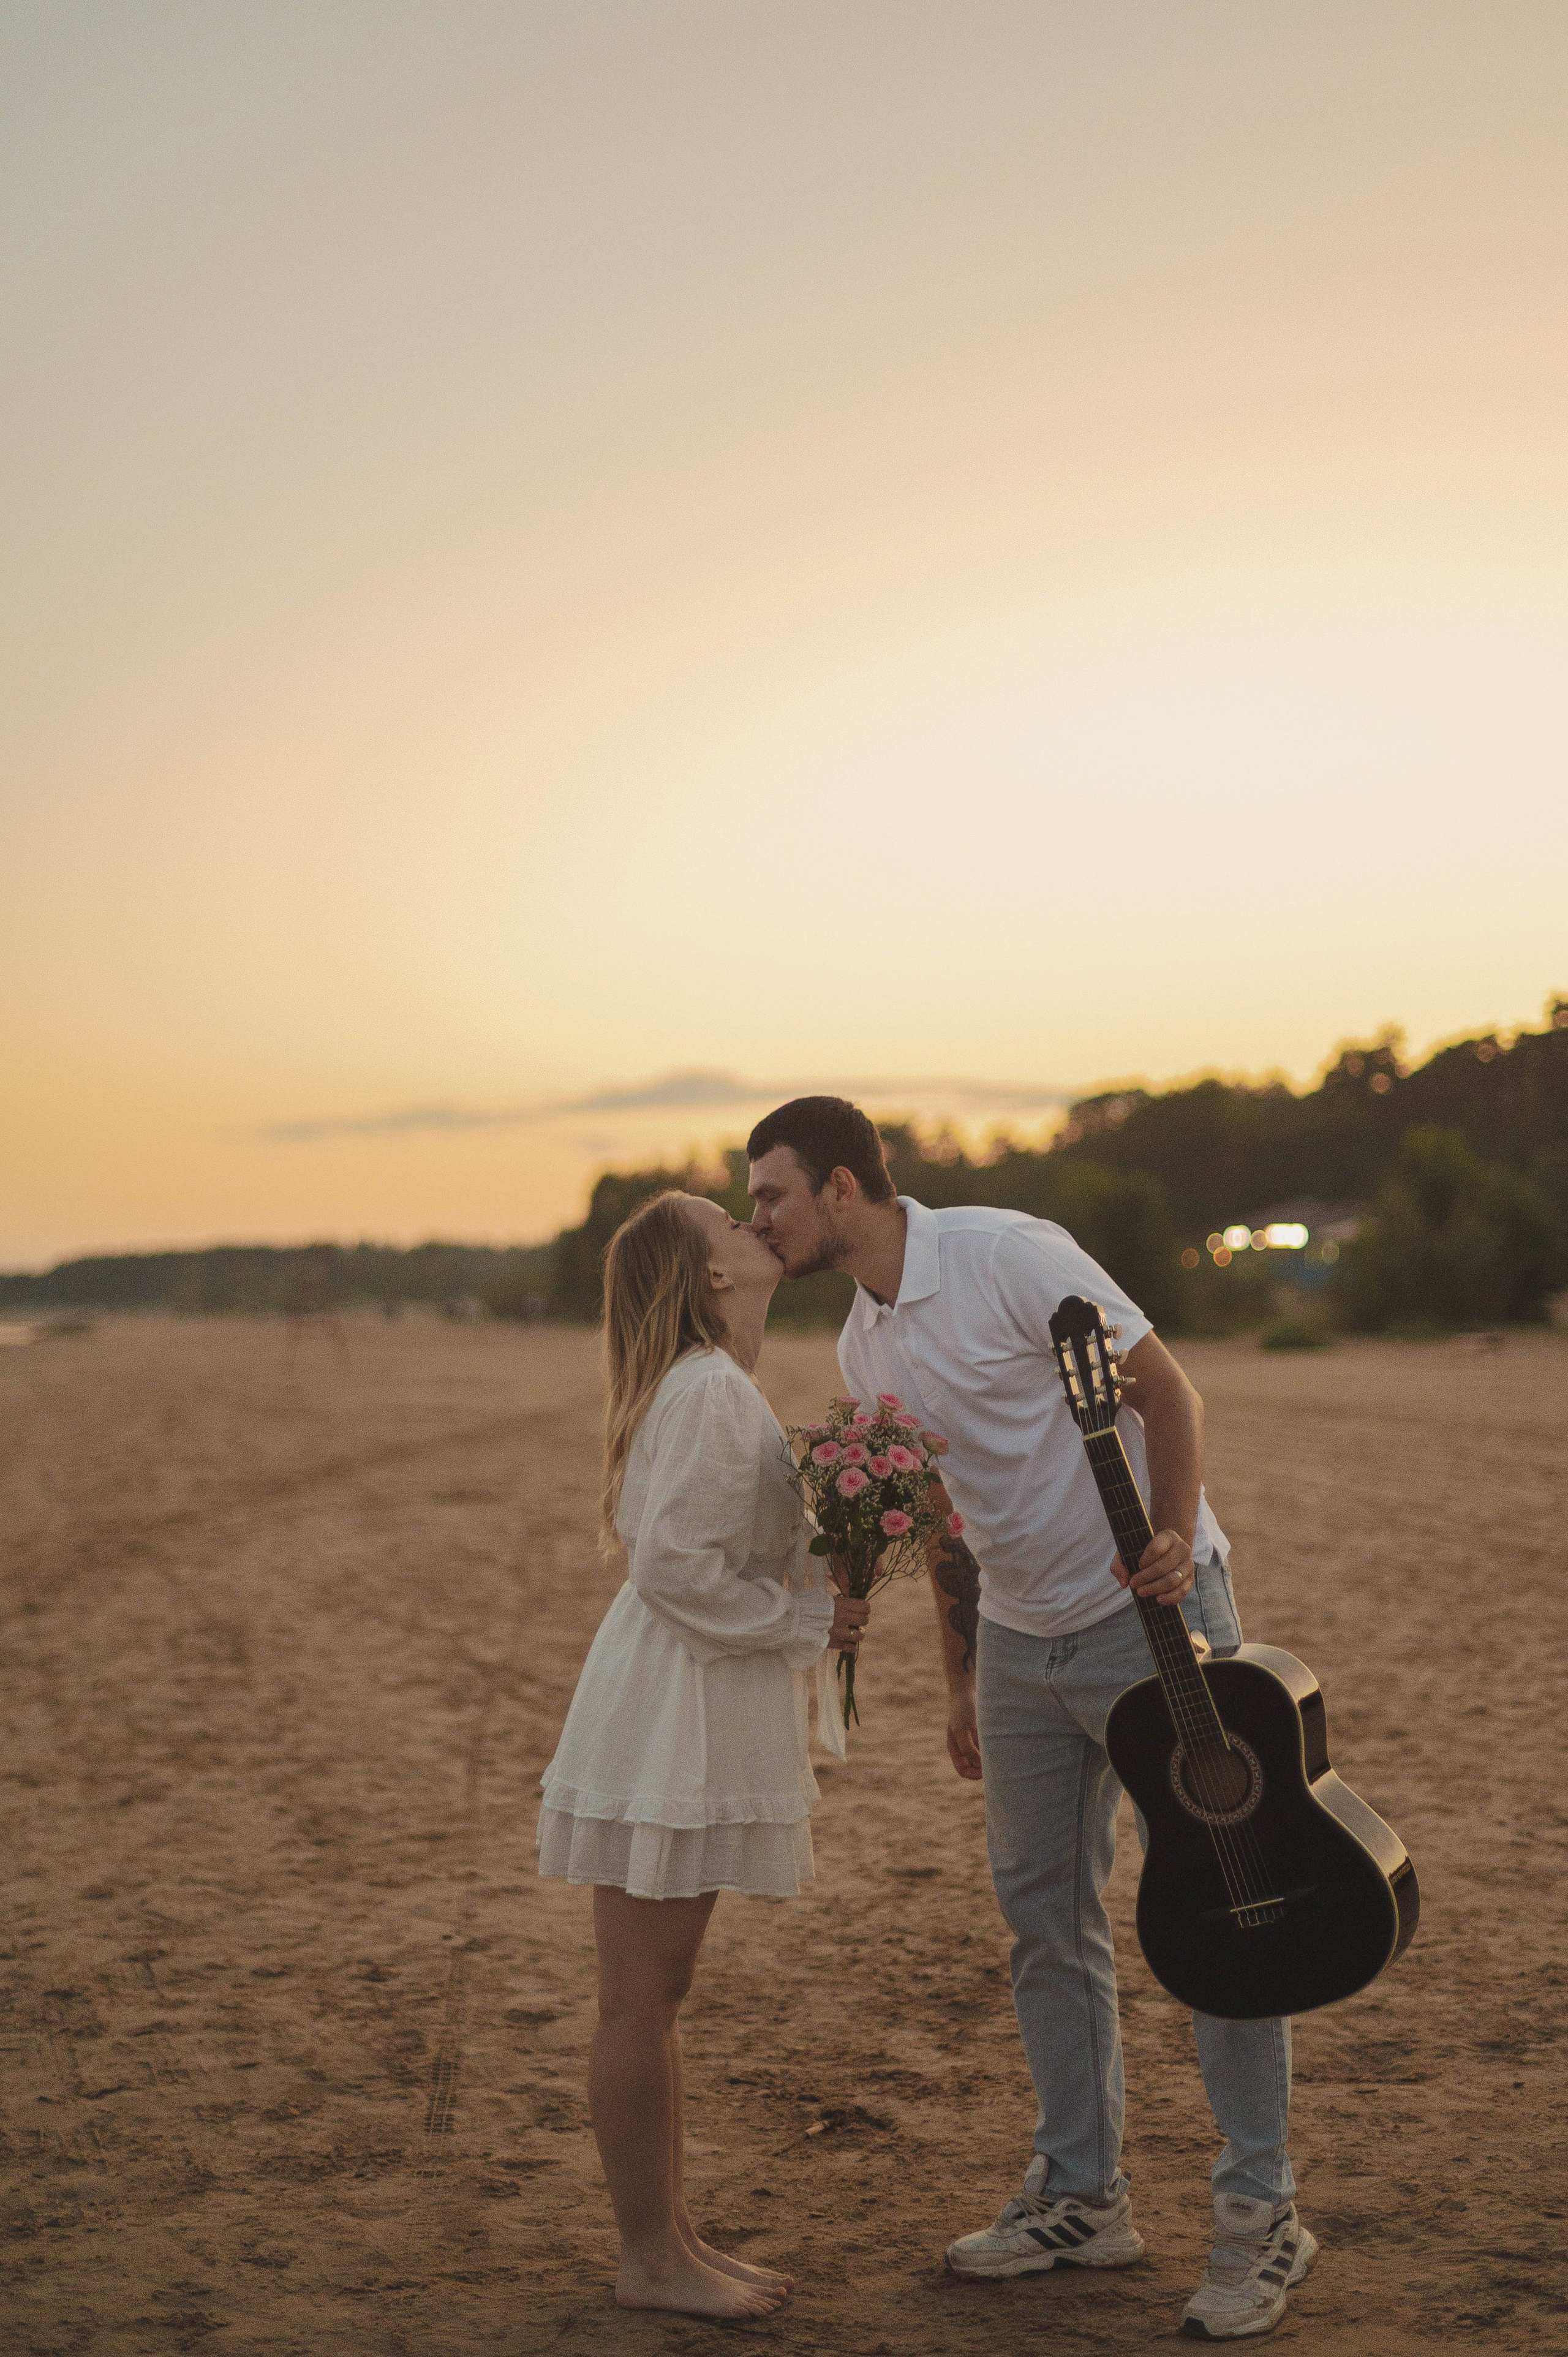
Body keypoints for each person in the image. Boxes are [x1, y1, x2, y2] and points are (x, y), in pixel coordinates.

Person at [747, 1099, 1316, 2345]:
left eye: (771, 1195)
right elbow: (944, 1514)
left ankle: (1260, 2211)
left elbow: (1169, 1393)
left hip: (1146, 1616)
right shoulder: (861, 1343)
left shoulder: (1006, 1253)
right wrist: (962, 1678)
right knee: (1042, 1921)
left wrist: (1173, 1538)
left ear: (838, 1187)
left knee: (1221, 1906)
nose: (760, 1220)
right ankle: (1081, 2197)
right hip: (1016, 1642)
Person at [536, 1190, 869, 2320]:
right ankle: (650, 2259)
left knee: (658, 1993)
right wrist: (804, 1620)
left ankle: (671, 2240)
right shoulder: (712, 1389)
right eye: (729, 1220)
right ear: (711, 1274)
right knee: (639, 1997)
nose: (753, 1225)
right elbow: (674, 1565)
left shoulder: (713, 1385)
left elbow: (706, 1547)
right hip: (673, 1702)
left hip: (689, 1690)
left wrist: (836, 1563)